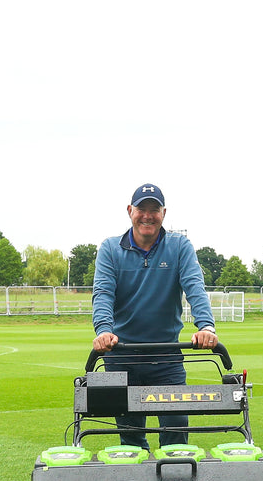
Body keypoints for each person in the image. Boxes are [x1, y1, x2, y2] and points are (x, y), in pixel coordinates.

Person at [92, 183, 218, 450]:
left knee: (176, 432)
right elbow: (103, 293)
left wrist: (206, 326)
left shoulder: (179, 246)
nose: (147, 216)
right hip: (121, 354)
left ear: (163, 213)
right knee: (131, 439)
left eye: (154, 210)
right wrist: (103, 330)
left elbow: (194, 286)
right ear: (130, 211)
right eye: (141, 209)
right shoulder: (110, 249)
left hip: (166, 356)